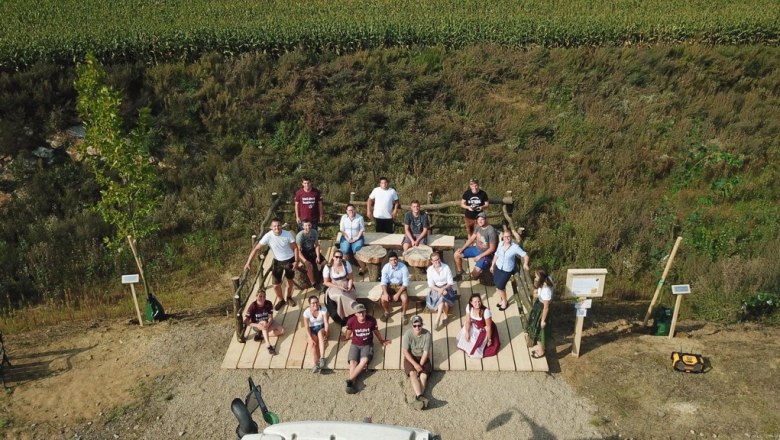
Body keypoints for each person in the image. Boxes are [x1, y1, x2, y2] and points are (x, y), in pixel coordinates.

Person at [244, 218, 299, 311]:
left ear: (281, 225)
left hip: (289, 260)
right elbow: (256, 249)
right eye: (274, 226)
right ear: (271, 227)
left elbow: (295, 248)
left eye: (278, 225)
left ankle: (289, 297)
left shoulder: (287, 234)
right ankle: (281, 300)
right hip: (277, 261)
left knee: (290, 281)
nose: (277, 228)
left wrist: (296, 261)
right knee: (275, 285)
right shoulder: (268, 236)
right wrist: (248, 262)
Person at [343, 303, 390, 394]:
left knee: (364, 361)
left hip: (367, 344)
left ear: (365, 312)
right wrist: (346, 337)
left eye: (363, 312)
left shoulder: (371, 320)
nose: (361, 314)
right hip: (355, 344)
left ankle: (350, 380)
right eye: (359, 312)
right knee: (353, 362)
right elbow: (349, 331)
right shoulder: (351, 321)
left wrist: (381, 340)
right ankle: (351, 383)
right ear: (355, 314)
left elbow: (376, 331)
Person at [490, 230, 530, 311]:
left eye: (508, 236)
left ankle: (505, 302)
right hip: (498, 267)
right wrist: (492, 264)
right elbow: (496, 254)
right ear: (503, 237)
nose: (507, 238)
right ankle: (502, 300)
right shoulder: (500, 244)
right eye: (505, 236)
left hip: (507, 270)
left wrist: (525, 264)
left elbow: (525, 255)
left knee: (500, 287)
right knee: (498, 286)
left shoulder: (515, 247)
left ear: (511, 237)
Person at [453, 211, 498, 281]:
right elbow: (471, 239)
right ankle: (460, 272)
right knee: (456, 254)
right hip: (476, 249)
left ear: (486, 220)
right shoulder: (478, 227)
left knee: (475, 273)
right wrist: (462, 248)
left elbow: (492, 249)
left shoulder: (491, 231)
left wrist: (479, 256)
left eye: (482, 219)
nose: (480, 221)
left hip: (486, 254)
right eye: (478, 219)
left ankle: (475, 275)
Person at [402, 315, 433, 410]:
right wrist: (415, 365)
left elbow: (426, 352)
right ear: (412, 326)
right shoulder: (407, 334)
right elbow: (405, 352)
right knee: (413, 374)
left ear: (422, 325)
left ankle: (418, 398)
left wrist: (421, 365)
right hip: (411, 357)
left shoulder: (427, 334)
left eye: (419, 325)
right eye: (415, 325)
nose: (417, 328)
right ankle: (420, 397)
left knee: (423, 376)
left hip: (422, 357)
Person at [456, 293, 500, 358]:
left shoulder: (486, 312)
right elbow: (468, 321)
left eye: (479, 301)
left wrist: (489, 339)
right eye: (475, 302)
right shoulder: (469, 307)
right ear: (471, 302)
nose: (477, 303)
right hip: (473, 325)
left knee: (475, 341)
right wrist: (467, 332)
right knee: (464, 333)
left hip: (484, 329)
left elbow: (489, 327)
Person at [323, 251, 360, 323]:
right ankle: (354, 307)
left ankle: (349, 314)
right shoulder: (328, 267)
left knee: (348, 293)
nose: (338, 259)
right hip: (334, 286)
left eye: (340, 257)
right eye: (336, 257)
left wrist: (349, 287)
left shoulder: (346, 264)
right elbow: (326, 282)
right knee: (340, 295)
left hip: (346, 283)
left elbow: (350, 278)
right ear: (333, 257)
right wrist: (338, 287)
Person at [243, 290, 285, 355]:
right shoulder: (253, 306)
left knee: (282, 331)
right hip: (257, 325)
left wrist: (268, 324)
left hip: (267, 323)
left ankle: (262, 335)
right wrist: (256, 325)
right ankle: (269, 346)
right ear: (256, 297)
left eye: (264, 296)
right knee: (263, 324)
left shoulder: (268, 303)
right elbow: (245, 321)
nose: (262, 298)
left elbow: (270, 317)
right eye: (260, 296)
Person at [425, 252, 457, 328]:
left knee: (442, 298)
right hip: (436, 288)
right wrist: (439, 290)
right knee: (443, 300)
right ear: (432, 261)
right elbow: (431, 284)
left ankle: (437, 319)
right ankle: (444, 316)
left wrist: (443, 289)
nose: (437, 261)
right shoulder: (430, 270)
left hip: (447, 287)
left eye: (438, 259)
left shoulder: (446, 267)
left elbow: (450, 282)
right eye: (435, 260)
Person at [528, 269, 553, 359]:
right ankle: (541, 348)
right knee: (537, 329)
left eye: (536, 276)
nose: (535, 277)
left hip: (541, 310)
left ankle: (541, 351)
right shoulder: (546, 280)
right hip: (539, 306)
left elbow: (546, 307)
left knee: (539, 330)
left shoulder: (546, 290)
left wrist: (543, 320)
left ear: (541, 278)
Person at [379, 251, 410, 323]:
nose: (394, 261)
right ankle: (386, 312)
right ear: (389, 261)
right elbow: (383, 282)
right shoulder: (386, 268)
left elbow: (405, 283)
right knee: (383, 298)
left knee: (405, 298)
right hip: (389, 285)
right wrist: (385, 293)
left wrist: (398, 294)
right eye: (391, 260)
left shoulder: (403, 267)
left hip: (400, 285)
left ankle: (404, 314)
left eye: (395, 259)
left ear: (397, 259)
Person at [338, 204, 367, 275]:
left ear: (355, 210)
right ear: (346, 211)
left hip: (357, 237)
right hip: (346, 237)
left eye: (353, 210)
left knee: (357, 250)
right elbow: (342, 229)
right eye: (349, 210)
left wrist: (356, 238)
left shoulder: (360, 218)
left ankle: (363, 267)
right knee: (345, 250)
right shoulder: (343, 217)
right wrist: (347, 238)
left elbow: (362, 229)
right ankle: (344, 268)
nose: (351, 211)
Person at [303, 295, 329, 373]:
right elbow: (307, 327)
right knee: (312, 344)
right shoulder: (306, 312)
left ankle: (322, 358)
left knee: (320, 334)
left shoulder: (323, 310)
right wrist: (310, 338)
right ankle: (315, 364)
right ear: (309, 304)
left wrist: (326, 334)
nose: (315, 304)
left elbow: (326, 323)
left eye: (316, 302)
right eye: (313, 303)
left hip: (322, 327)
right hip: (312, 329)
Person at [296, 220, 323, 289]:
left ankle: (322, 276)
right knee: (309, 266)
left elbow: (317, 245)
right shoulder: (300, 235)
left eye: (309, 225)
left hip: (312, 250)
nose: (308, 227)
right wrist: (305, 261)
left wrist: (318, 256)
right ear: (303, 226)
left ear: (311, 225)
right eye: (306, 226)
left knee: (325, 263)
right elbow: (298, 250)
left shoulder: (314, 232)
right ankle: (313, 283)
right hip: (303, 252)